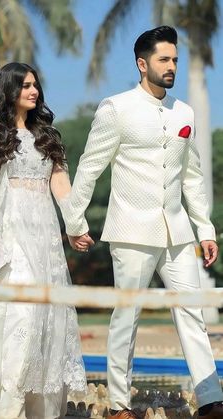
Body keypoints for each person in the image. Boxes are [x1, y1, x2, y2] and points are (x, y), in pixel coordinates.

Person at [63, 26, 223, 419]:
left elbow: (191, 177)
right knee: (126, 315)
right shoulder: (116, 108)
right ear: (142, 63)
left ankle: (210, 399)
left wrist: (205, 229)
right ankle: (119, 405)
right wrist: (74, 219)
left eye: (175, 60)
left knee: (192, 312)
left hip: (178, 232)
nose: (171, 67)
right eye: (163, 60)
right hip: (131, 229)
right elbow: (90, 167)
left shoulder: (183, 112)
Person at [0, 62, 88, 419]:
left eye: (35, 85)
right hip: (11, 233)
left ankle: (40, 409)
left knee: (48, 313)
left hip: (45, 235)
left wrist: (75, 225)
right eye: (25, 85)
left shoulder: (47, 135)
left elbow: (61, 185)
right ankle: (6, 407)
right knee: (23, 314)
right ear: (8, 90)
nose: (33, 91)